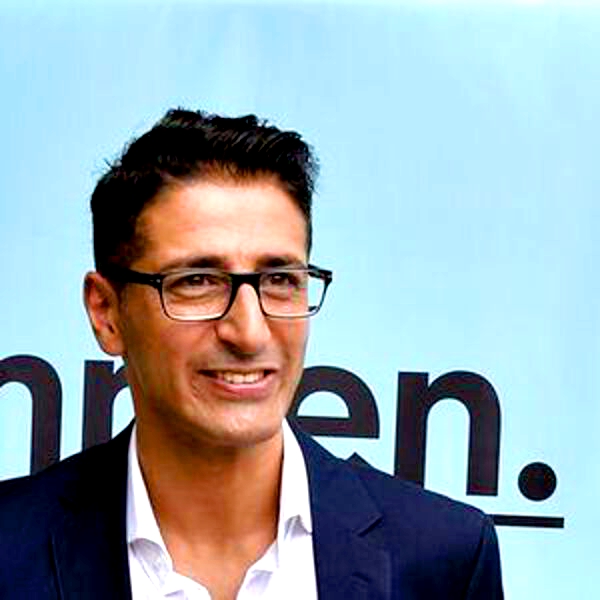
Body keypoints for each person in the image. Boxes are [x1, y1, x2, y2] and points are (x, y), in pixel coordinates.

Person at [0, 108, 503, 599]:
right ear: (107, 312)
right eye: (197, 281)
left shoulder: (445, 558)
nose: (249, 332)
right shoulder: (10, 547)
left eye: (280, 279)